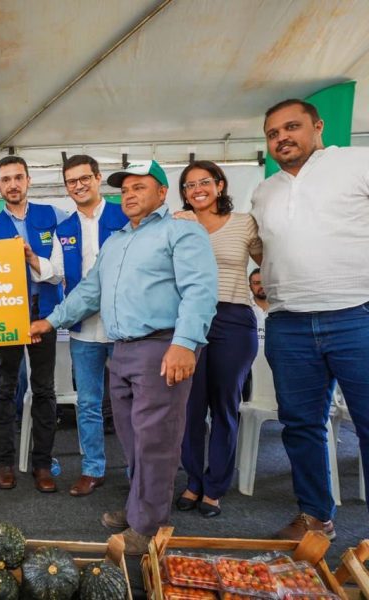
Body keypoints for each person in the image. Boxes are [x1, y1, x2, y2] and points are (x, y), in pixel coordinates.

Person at [30, 160, 218, 554]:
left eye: (139, 188)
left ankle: (148, 526)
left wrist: (185, 343)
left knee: (156, 440)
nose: (130, 195)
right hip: (123, 350)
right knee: (133, 440)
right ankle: (139, 507)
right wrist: (49, 321)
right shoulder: (116, 241)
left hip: (161, 347)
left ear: (163, 192)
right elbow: (87, 294)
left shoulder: (182, 231)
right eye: (125, 190)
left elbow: (200, 290)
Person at [251, 98, 369, 540]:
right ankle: (315, 518)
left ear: (318, 127)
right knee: (300, 426)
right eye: (272, 133)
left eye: (291, 127)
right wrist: (258, 275)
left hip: (356, 314)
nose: (282, 137)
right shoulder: (265, 192)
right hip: (289, 323)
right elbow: (265, 249)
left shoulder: (357, 163)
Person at [32, 154, 128, 496]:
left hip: (125, 325)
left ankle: (137, 470)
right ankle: (93, 469)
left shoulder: (124, 214)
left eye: (84, 178)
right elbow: (55, 272)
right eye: (72, 181)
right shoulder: (65, 228)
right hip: (83, 328)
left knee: (129, 402)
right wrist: (31, 258)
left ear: (98, 178)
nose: (79, 185)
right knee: (88, 402)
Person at [173, 161, 262, 518]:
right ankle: (194, 482)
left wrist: (267, 294)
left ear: (220, 185)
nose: (197, 189)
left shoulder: (244, 223)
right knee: (190, 408)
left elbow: (264, 263)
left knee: (224, 407)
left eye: (204, 182)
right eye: (189, 184)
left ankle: (215, 488)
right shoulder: (178, 224)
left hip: (233, 319)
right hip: (190, 321)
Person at [0, 156, 68, 493]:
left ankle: (42, 464)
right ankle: (5, 464)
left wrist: (33, 259)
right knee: (4, 390)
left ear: (29, 181)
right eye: (6, 179)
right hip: (6, 319)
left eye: (18, 177)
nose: (13, 184)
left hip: (44, 316)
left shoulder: (54, 217)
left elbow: (60, 271)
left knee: (44, 390)